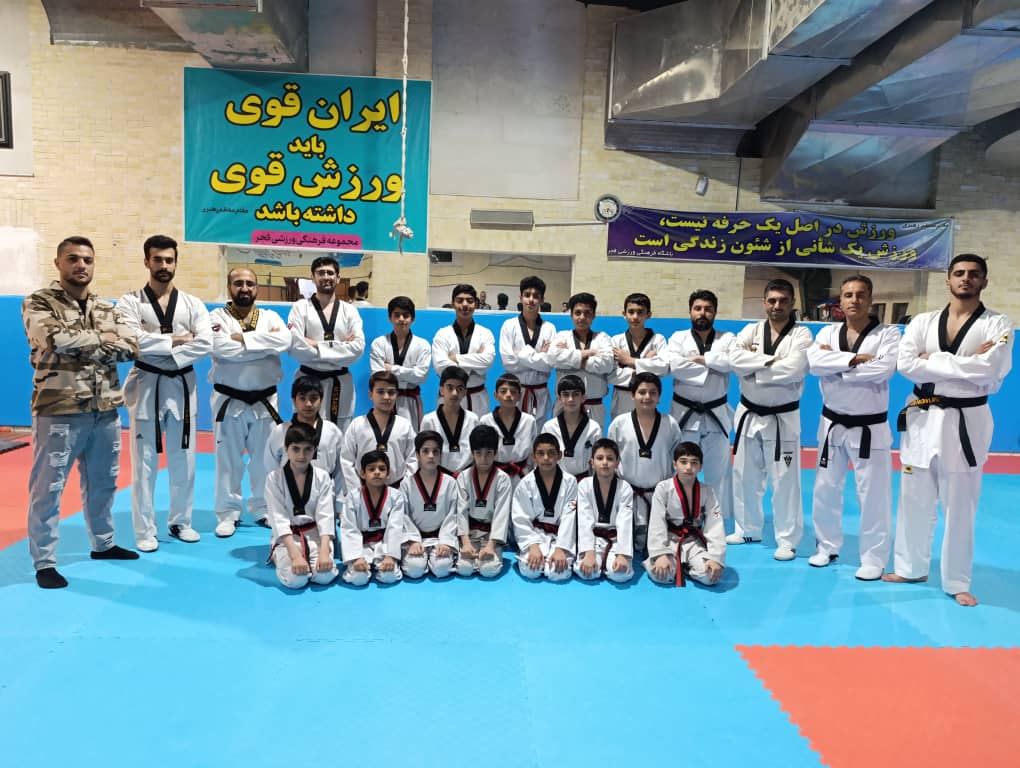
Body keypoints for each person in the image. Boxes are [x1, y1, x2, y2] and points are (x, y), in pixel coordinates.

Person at [884, 254, 1013, 606]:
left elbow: (992, 369)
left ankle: (957, 581)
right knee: (913, 498)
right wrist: (966, 363)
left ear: (984, 281)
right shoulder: (923, 322)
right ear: (948, 280)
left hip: (965, 421)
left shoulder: (998, 323)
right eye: (959, 273)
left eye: (974, 274)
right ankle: (910, 568)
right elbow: (906, 365)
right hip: (922, 417)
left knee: (959, 507)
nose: (966, 278)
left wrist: (933, 361)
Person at [23, 236, 140, 589]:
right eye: (73, 259)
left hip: (105, 409)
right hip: (59, 408)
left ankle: (103, 544)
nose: (81, 265)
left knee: (104, 483)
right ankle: (45, 561)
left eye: (87, 260)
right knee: (48, 487)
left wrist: (83, 341)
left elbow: (131, 347)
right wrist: (103, 340)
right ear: (58, 263)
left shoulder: (106, 307)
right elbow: (54, 340)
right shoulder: (38, 302)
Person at [119, 234, 213, 552]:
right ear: (147, 261)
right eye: (157, 259)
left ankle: (180, 522)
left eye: (169, 260)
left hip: (182, 384)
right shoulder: (130, 302)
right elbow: (131, 339)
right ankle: (145, 530)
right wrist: (178, 340)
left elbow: (205, 343)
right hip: (146, 383)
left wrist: (159, 345)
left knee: (184, 458)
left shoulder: (192, 303)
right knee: (144, 462)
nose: (164, 265)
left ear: (176, 263)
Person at [807, 275, 901, 580]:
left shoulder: (888, 335)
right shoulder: (828, 332)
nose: (854, 300)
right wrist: (855, 360)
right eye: (848, 294)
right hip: (831, 423)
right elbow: (815, 364)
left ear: (870, 299)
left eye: (861, 294)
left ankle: (873, 558)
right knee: (825, 489)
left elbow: (884, 369)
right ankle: (826, 546)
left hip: (869, 426)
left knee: (873, 496)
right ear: (840, 300)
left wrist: (836, 366)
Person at [727, 278, 813, 561]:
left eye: (783, 300)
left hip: (782, 418)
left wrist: (753, 368)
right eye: (772, 300)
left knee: (785, 481)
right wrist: (771, 362)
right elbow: (733, 360)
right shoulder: (750, 330)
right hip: (749, 414)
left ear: (792, 303)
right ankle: (747, 529)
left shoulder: (801, 335)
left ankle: (787, 540)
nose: (777, 305)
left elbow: (794, 369)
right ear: (764, 303)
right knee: (744, 475)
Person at [209, 268, 292, 538]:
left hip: (265, 399)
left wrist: (243, 340)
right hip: (228, 399)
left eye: (249, 283)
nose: (244, 288)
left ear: (257, 287)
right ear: (229, 287)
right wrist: (263, 347)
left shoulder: (270, 316)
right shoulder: (216, 317)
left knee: (265, 460)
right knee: (227, 460)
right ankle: (227, 512)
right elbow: (220, 348)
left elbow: (284, 341)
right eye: (238, 283)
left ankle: (263, 508)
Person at [667, 289, 735, 520]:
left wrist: (701, 360)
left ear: (715, 312)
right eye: (697, 308)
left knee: (719, 473)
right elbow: (675, 365)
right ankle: (680, 516)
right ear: (690, 311)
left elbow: (733, 363)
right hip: (685, 414)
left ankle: (716, 519)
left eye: (707, 309)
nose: (702, 313)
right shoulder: (678, 338)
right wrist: (713, 365)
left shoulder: (727, 338)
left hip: (716, 413)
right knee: (683, 470)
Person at [287, 256, 365, 430]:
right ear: (313, 277)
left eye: (330, 273)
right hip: (307, 380)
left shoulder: (349, 311)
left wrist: (315, 344)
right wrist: (340, 347)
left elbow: (357, 349)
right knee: (305, 433)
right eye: (320, 273)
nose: (325, 277)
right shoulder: (300, 308)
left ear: (338, 278)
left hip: (340, 383)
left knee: (339, 433)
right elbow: (295, 346)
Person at [607, 371, 682, 551]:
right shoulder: (619, 423)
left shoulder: (670, 424)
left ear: (659, 397)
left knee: (660, 548)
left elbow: (678, 460)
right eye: (642, 392)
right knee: (627, 547)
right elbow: (610, 459)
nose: (647, 397)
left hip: (660, 495)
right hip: (627, 495)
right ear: (632, 395)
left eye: (652, 392)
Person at [265, 423, 339, 589]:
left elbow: (326, 516)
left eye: (307, 449)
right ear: (286, 449)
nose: (301, 455)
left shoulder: (322, 477)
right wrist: (295, 555)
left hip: (315, 534)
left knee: (324, 576)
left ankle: (315, 557)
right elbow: (278, 518)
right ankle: (278, 554)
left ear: (315, 450)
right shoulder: (274, 479)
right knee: (296, 580)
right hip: (288, 537)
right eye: (296, 449)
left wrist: (325, 552)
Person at [644, 442, 726, 587]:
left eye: (694, 463)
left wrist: (715, 557)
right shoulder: (663, 488)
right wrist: (660, 554)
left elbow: (715, 523)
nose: (688, 467)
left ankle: (686, 567)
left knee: (710, 577)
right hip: (670, 539)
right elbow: (657, 522)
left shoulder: (708, 491)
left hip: (693, 541)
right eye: (683, 462)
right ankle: (675, 564)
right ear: (674, 464)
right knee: (661, 575)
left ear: (700, 466)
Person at [263, 376, 345, 511]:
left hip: (324, 499)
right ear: (294, 400)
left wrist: (340, 505)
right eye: (302, 398)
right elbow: (270, 466)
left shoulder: (332, 431)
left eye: (313, 398)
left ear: (321, 400)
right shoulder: (280, 431)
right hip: (288, 498)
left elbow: (340, 471)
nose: (308, 404)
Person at [512, 433, 579, 581]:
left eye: (551, 453)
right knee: (531, 570)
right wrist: (532, 545)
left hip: (560, 536)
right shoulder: (525, 484)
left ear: (559, 455)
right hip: (535, 535)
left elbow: (569, 518)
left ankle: (557, 552)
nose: (546, 458)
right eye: (541, 453)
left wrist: (561, 548)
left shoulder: (570, 482)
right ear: (533, 456)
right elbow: (520, 518)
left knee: (558, 573)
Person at [340, 371, 417, 493]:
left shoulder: (405, 425)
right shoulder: (357, 425)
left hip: (398, 490)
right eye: (380, 392)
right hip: (363, 491)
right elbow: (346, 460)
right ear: (370, 394)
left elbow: (413, 460)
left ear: (397, 395)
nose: (386, 397)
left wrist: (402, 490)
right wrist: (357, 490)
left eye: (391, 392)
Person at [399, 431, 460, 579]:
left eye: (435, 451)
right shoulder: (406, 484)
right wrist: (412, 541)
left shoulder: (450, 483)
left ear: (441, 455)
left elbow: (453, 515)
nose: (431, 456)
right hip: (416, 538)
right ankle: (421, 557)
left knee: (442, 569)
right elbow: (403, 516)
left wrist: (446, 542)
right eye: (425, 451)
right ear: (417, 455)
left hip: (440, 538)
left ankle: (435, 557)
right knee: (414, 570)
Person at [549, 292, 615, 431]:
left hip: (594, 406)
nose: (582, 317)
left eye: (587, 313)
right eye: (577, 313)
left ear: (594, 315)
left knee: (592, 442)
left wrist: (571, 357)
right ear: (571, 315)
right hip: (565, 405)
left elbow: (607, 364)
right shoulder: (562, 336)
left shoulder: (602, 338)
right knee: (561, 441)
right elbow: (553, 358)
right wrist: (587, 353)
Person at [339, 451, 406, 585]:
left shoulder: (396, 496)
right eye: (371, 469)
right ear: (362, 473)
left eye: (382, 469)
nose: (377, 472)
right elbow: (349, 528)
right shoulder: (352, 497)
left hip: (384, 544)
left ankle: (385, 563)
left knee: (389, 577)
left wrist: (390, 555)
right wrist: (356, 557)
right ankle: (360, 564)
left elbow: (395, 527)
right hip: (361, 544)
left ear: (388, 474)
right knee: (359, 579)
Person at [454, 425, 513, 578]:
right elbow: (461, 511)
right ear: (472, 453)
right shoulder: (463, 477)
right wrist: (465, 542)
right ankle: (470, 551)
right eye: (478, 453)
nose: (483, 459)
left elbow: (501, 514)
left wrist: (491, 545)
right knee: (464, 569)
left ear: (496, 452)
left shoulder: (503, 479)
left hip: (491, 534)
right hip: (470, 534)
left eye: (488, 453)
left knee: (489, 570)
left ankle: (490, 549)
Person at [574, 438, 634, 582]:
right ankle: (595, 560)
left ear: (617, 462)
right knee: (587, 573)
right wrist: (589, 552)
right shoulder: (584, 485)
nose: (605, 462)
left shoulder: (625, 487)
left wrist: (622, 554)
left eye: (610, 458)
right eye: (600, 458)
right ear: (592, 462)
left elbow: (625, 523)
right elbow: (584, 520)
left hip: (615, 540)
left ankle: (612, 561)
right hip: (593, 539)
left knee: (619, 575)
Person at [369, 296, 431, 430]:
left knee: (412, 436)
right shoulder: (379, 343)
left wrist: (391, 369)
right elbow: (378, 375)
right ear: (390, 317)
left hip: (411, 401)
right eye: (397, 315)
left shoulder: (422, 345)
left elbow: (421, 376)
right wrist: (408, 375)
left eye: (406, 315)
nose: (401, 319)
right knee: (383, 435)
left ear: (412, 318)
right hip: (385, 398)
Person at [498, 275, 556, 420]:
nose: (531, 299)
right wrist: (538, 355)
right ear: (520, 297)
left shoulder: (549, 328)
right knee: (513, 430)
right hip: (514, 392)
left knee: (537, 432)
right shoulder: (509, 325)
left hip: (539, 393)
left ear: (542, 300)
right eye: (527, 295)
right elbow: (508, 362)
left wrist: (521, 354)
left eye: (536, 296)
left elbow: (549, 364)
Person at [432, 284, 496, 414]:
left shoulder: (485, 333)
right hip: (449, 397)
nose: (465, 304)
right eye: (460, 300)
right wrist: (475, 364)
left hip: (476, 398)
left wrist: (455, 358)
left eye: (470, 300)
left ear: (476, 304)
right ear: (453, 304)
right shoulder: (442, 334)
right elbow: (440, 366)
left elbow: (487, 361)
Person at [609, 293, 668, 419]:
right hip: (622, 400)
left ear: (648, 315)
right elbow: (611, 374)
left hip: (647, 398)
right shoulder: (616, 341)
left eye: (640, 312)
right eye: (631, 312)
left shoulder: (658, 340)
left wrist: (630, 361)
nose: (635, 317)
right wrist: (646, 366)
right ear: (624, 314)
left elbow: (663, 368)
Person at [479, 373, 538, 488]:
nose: (508, 395)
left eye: (513, 392)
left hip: (522, 476)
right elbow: (481, 452)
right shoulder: (486, 421)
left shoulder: (529, 421)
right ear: (495, 395)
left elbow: (533, 454)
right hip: (494, 476)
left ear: (519, 396)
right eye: (503, 391)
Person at [419, 366, 480, 475]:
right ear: (442, 390)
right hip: (439, 477)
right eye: (450, 388)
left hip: (467, 477)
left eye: (459, 389)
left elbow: (477, 452)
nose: (454, 393)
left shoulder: (473, 419)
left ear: (465, 392)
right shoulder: (429, 420)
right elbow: (423, 454)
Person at [541, 375, 603, 481]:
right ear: (559, 398)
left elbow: (597, 463)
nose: (571, 399)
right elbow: (542, 459)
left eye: (576, 394)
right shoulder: (549, 427)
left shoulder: (594, 428)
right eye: (566, 394)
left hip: (584, 484)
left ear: (583, 398)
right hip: (556, 482)